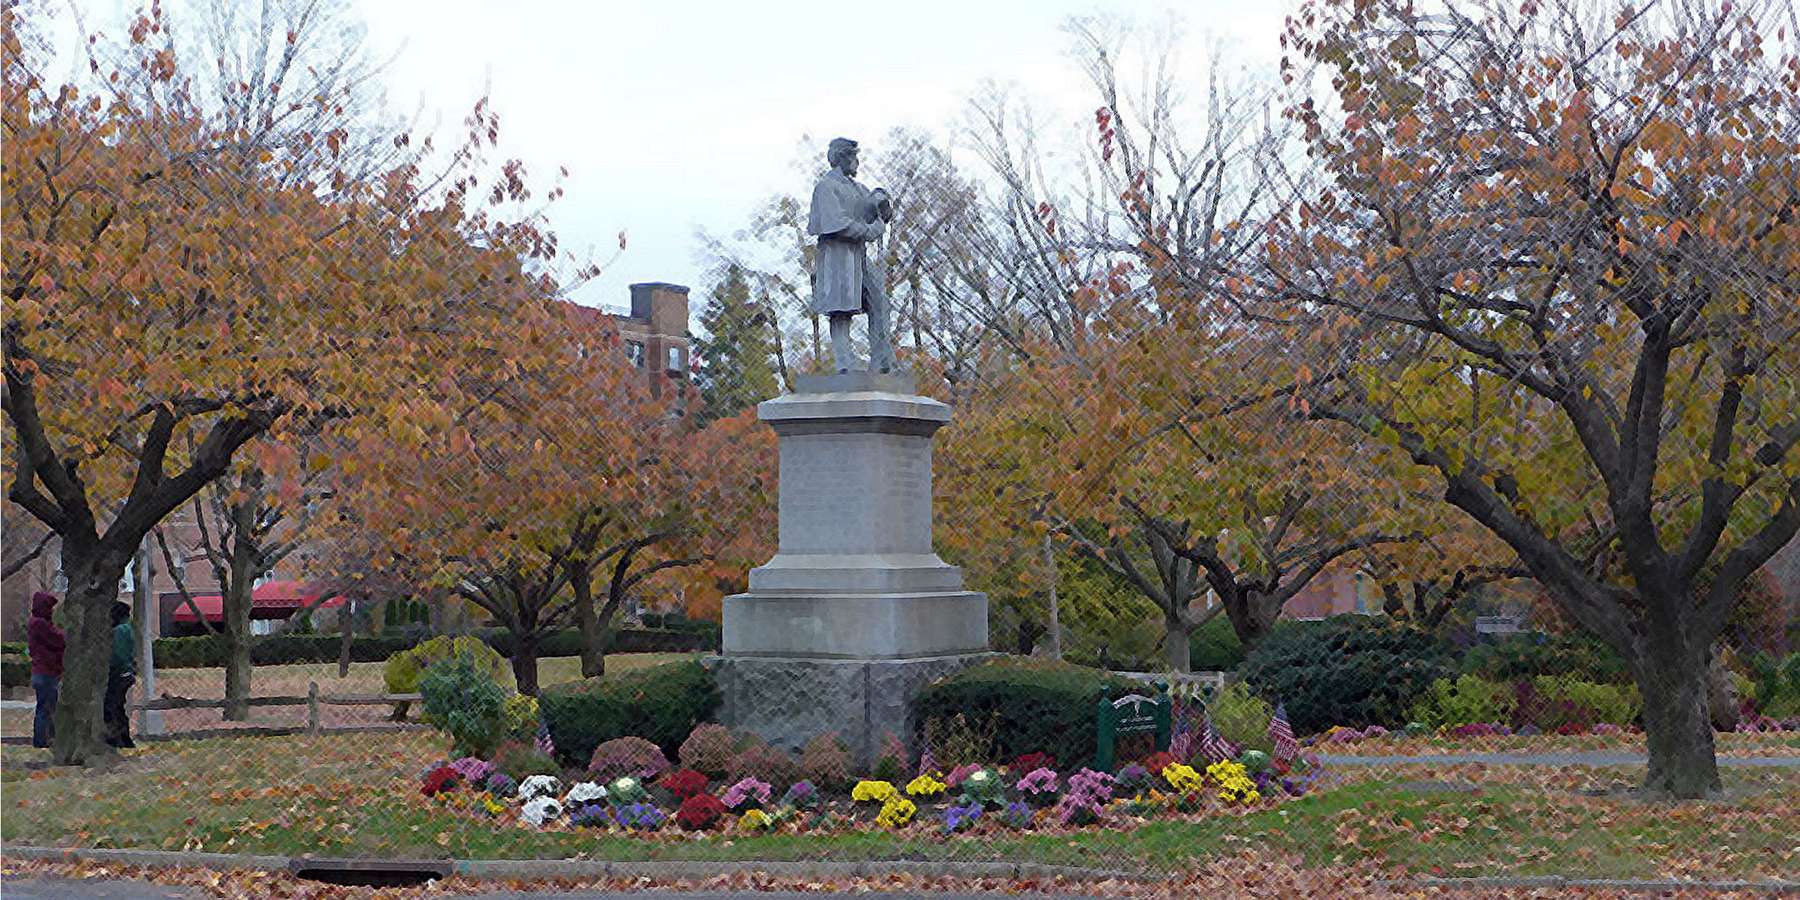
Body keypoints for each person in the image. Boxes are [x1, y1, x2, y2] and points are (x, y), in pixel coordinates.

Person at [806, 136, 896, 374]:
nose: (857, 163)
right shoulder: (826, 187)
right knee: (840, 310)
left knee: (880, 302)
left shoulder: (858, 188)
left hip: (858, 256)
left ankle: (883, 362)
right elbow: (836, 223)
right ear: (842, 158)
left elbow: (873, 209)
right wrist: (869, 231)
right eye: (853, 157)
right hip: (837, 256)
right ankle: (845, 364)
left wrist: (882, 203)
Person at [25, 591, 65, 749]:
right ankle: (42, 740)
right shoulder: (39, 624)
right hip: (45, 673)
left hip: (46, 672)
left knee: (47, 707)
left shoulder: (39, 623)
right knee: (46, 708)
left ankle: (47, 738)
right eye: (49, 607)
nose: (52, 611)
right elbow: (58, 639)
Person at [105, 600, 136, 749]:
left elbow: (118, 655)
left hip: (119, 673)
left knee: (112, 706)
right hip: (126, 672)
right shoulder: (127, 628)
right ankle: (123, 738)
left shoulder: (119, 631)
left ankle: (116, 738)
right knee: (118, 706)